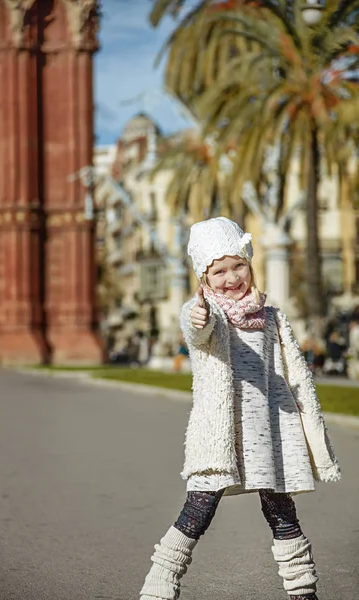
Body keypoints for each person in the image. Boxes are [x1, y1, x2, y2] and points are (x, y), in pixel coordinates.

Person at [139, 217, 341, 600]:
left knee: (281, 512)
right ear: (204, 278)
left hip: (269, 435)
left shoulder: (270, 316)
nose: (231, 278)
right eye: (219, 272)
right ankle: (159, 585)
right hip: (223, 437)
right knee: (198, 510)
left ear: (250, 264)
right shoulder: (209, 313)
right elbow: (196, 326)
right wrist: (197, 317)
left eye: (238, 266)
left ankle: (303, 591)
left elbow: (294, 368)